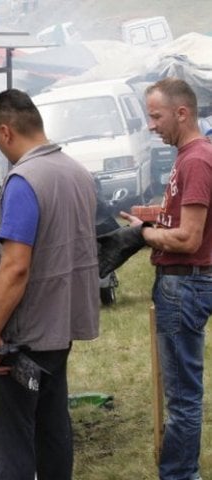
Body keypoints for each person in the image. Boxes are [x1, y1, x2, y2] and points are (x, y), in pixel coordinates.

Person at [0, 88, 100, 480]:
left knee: (10, 444)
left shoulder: (24, 180)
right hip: (58, 332)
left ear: (6, 132)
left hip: (20, 340)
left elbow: (16, 267)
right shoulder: (76, 171)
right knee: (51, 431)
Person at [120, 77, 212, 480]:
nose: (151, 125)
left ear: (182, 112)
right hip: (185, 284)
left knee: (183, 398)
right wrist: (152, 214)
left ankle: (178, 476)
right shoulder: (189, 156)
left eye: (155, 116)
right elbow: (185, 219)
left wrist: (141, 235)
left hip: (185, 284)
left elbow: (188, 238)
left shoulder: (196, 159)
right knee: (183, 394)